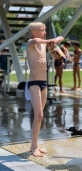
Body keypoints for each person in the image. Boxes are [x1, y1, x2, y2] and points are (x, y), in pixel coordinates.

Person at [26, 22, 64, 157]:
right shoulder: (31, 42)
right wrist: (48, 40)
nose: (44, 32)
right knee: (39, 114)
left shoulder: (44, 44)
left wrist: (53, 41)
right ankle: (33, 146)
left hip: (44, 83)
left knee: (40, 117)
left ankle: (34, 145)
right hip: (34, 82)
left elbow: (61, 38)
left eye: (45, 30)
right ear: (34, 32)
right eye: (42, 30)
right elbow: (36, 40)